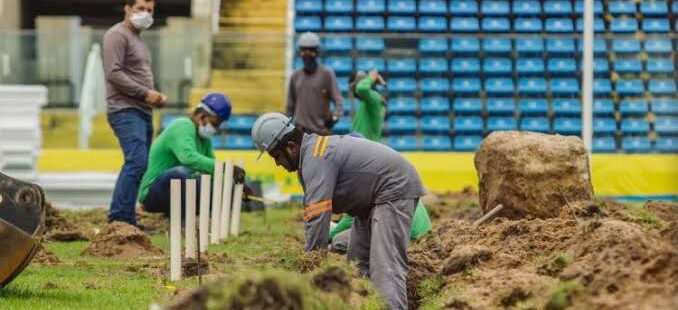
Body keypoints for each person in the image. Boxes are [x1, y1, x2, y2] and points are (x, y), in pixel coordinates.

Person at [251, 113, 425, 310]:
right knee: (358, 262)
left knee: (385, 267)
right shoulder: (313, 154)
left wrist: (311, 263)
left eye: (276, 156)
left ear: (290, 147)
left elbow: (318, 213)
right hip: (369, 204)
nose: (277, 164)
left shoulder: (316, 157)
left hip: (392, 190)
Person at [103, 0, 167, 225]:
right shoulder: (117, 35)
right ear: (127, 8)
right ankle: (120, 219)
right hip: (125, 109)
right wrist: (144, 93)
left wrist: (153, 96)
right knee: (136, 161)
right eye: (140, 8)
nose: (145, 14)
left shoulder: (136, 38)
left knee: (139, 163)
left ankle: (126, 217)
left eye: (149, 10)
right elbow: (114, 73)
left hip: (142, 109)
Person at [138, 93, 245, 217]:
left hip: (181, 189)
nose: (215, 129)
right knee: (179, 174)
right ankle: (183, 222)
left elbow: (214, 172)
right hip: (154, 193)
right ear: (202, 116)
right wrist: (227, 168)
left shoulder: (204, 139)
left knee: (213, 185)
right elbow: (188, 158)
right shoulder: (182, 125)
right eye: (215, 124)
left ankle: (194, 215)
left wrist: (235, 185)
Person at [286, 32, 343, 135]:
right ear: (300, 52)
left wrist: (334, 117)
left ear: (317, 51)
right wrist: (286, 127)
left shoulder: (327, 74)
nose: (307, 53)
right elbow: (290, 107)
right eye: (304, 50)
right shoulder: (295, 76)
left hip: (321, 132)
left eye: (311, 50)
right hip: (300, 132)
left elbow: (338, 100)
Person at [348, 70, 387, 142]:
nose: (352, 87)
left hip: (367, 149)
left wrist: (371, 78)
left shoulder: (373, 99)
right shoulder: (363, 103)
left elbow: (362, 88)